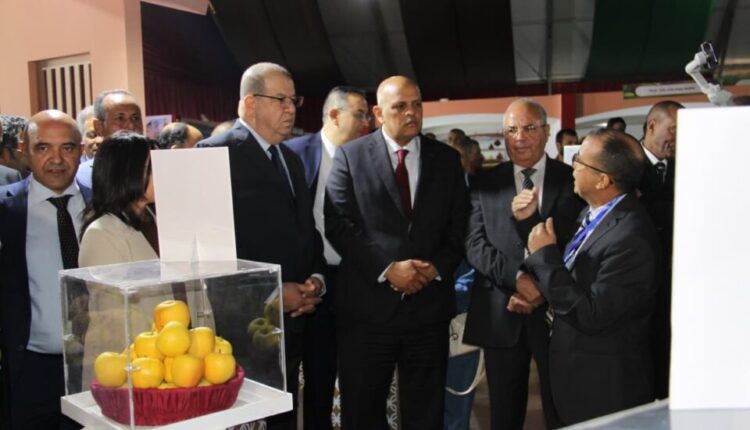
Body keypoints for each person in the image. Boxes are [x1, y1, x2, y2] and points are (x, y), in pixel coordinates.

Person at [325, 76, 469, 429]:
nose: (411, 113)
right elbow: (339, 224)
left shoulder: (447, 160)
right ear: (377, 113)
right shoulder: (351, 156)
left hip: (428, 310)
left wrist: (433, 269)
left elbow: (460, 226)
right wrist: (388, 269)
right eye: (400, 106)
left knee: (426, 413)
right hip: (368, 309)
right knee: (362, 413)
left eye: (416, 105)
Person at [197, 62, 325, 429]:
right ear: (250, 103)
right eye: (281, 100)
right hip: (242, 325)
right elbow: (209, 253)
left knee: (285, 417)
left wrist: (316, 279)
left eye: (294, 100)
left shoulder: (290, 158)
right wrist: (270, 294)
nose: (291, 109)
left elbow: (305, 230)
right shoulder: (214, 153)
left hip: (294, 320)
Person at [524, 129, 659, 425]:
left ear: (603, 180)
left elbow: (592, 313)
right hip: (575, 372)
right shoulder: (595, 213)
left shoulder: (631, 237)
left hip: (603, 386)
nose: (572, 166)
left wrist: (545, 258)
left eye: (580, 161)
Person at [463, 98, 583, 430]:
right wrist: (518, 280)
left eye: (529, 128)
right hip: (502, 310)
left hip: (557, 313)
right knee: (504, 413)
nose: (519, 138)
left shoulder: (573, 179)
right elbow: (474, 244)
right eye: (511, 130)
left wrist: (542, 289)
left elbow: (579, 243)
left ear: (546, 132)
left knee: (561, 407)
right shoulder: (484, 183)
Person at [284, 85, 369, 429]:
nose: (366, 122)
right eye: (359, 114)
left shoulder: (368, 158)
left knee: (356, 376)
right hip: (310, 282)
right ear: (334, 114)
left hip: (356, 279)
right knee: (316, 375)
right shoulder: (294, 153)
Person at [0, 110, 88, 429]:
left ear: (81, 150)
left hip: (97, 367)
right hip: (30, 372)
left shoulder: (102, 204)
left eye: (67, 147)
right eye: (43, 148)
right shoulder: (6, 209)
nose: (56, 159)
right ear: (24, 150)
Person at [638, 100, 683, 400]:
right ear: (652, 126)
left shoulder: (688, 165)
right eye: (674, 130)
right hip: (636, 281)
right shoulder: (626, 163)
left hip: (673, 282)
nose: (678, 139)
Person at [76, 89, 144, 188]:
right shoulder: (82, 178)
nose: (131, 126)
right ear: (99, 127)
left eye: (135, 118)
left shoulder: (157, 167)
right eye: (120, 118)